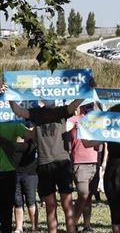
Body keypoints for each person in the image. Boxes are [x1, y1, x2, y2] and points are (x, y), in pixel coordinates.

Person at [9, 97, 88, 233]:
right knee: (50, 206)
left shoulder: (62, 111)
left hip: (62, 163)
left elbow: (76, 103)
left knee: (67, 205)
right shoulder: (36, 113)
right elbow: (18, 110)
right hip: (44, 163)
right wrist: (9, 96)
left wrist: (87, 88)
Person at [83, 103, 120, 233]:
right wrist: (82, 129)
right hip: (112, 174)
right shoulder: (109, 132)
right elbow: (86, 143)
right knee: (115, 214)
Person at [67, 103, 101, 233]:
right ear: (80, 107)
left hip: (94, 162)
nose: (90, 107)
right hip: (80, 163)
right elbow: (64, 128)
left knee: (89, 196)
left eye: (91, 105)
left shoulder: (97, 119)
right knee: (83, 195)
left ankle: (87, 226)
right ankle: (72, 225)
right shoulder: (75, 119)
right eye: (87, 105)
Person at [0, 120, 33, 233]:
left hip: (8, 171)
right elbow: (32, 135)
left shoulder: (13, 123)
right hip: (8, 172)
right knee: (7, 207)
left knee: (7, 207)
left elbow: (30, 135)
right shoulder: (13, 122)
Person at [12, 125, 39, 233]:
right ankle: (19, 227)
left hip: (30, 175)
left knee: (31, 201)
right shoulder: (13, 138)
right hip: (14, 173)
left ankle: (34, 228)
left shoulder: (34, 141)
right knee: (17, 201)